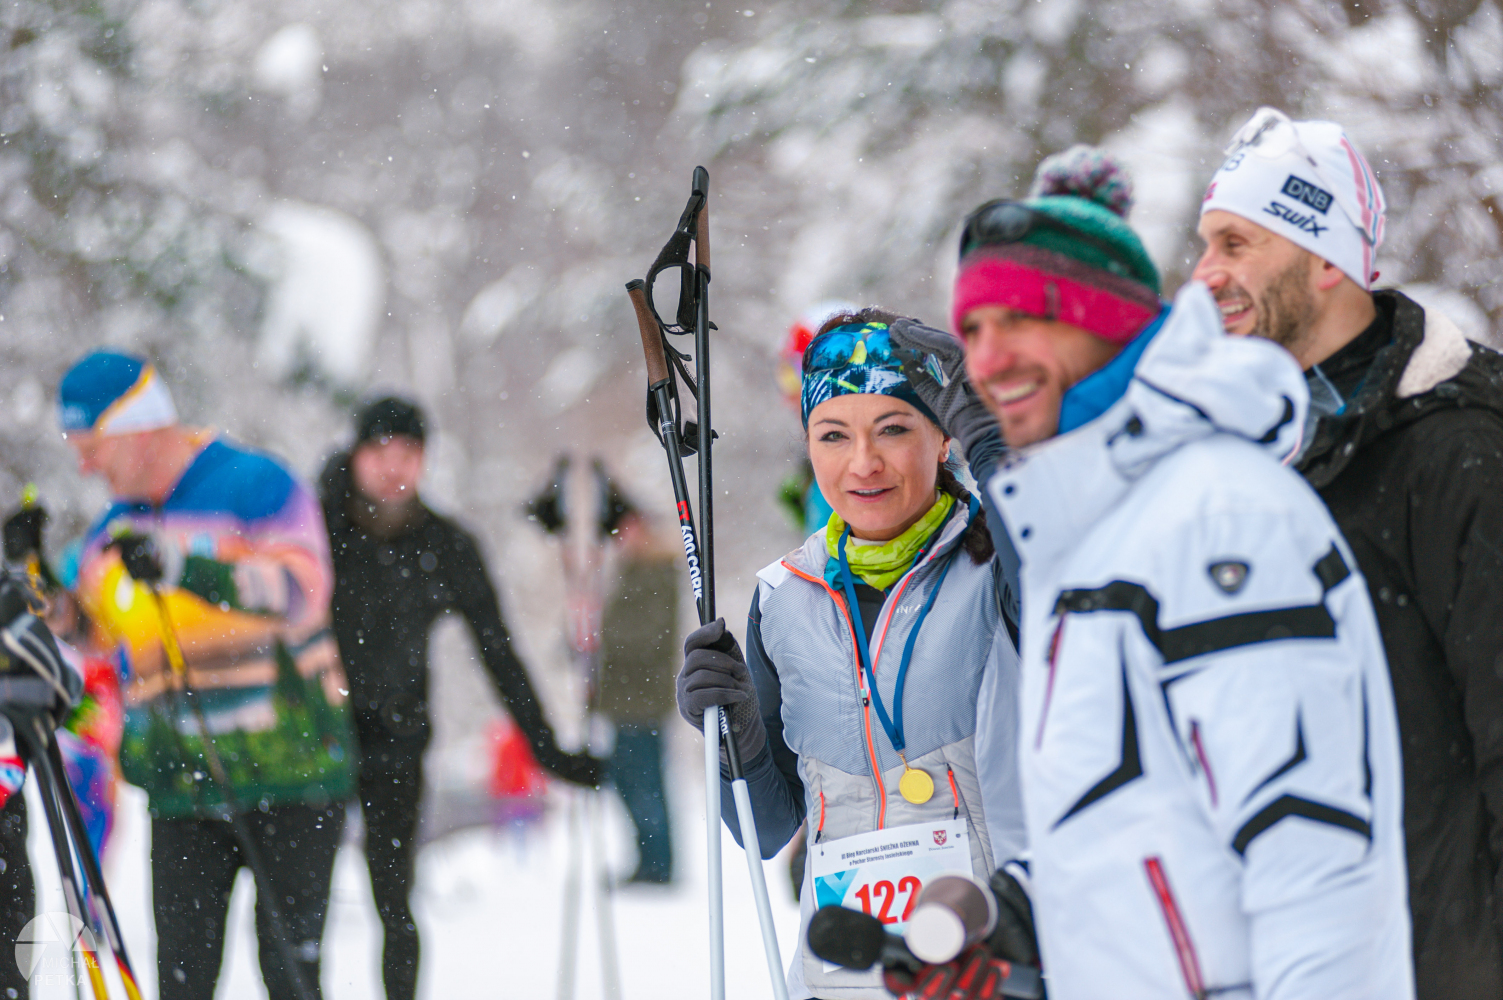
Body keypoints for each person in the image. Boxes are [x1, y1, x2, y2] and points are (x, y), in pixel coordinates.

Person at [886, 146, 1411, 998]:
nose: (987, 360)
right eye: (973, 330)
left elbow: (1314, 861)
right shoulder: (1093, 537)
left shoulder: (1211, 521)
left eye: (1021, 319)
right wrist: (1016, 922)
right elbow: (1139, 820)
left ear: (1103, 323)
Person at [1192, 107, 1503, 999]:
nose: (1205, 274)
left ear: (1323, 258)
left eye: (1235, 244)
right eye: (1204, 245)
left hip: (1440, 959)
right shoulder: (1238, 458)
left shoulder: (1455, 446)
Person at [676, 312, 1025, 1000]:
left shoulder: (1003, 563)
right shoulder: (783, 596)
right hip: (845, 973)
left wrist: (992, 431)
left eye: (892, 429)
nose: (862, 463)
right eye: (832, 435)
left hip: (991, 965)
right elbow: (767, 828)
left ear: (943, 436)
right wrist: (732, 737)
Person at [57, 350, 352, 1000]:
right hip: (182, 789)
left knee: (291, 976)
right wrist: (43, 595)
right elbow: (95, 631)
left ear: (137, 430)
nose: (85, 467)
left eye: (92, 448)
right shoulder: (113, 528)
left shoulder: (258, 485)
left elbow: (303, 590)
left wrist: (185, 568)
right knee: (183, 980)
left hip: (291, 777)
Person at [318, 396, 602, 1000]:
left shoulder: (443, 545)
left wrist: (546, 749)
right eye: (380, 451)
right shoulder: (316, 532)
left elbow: (499, 652)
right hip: (316, 737)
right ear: (356, 454)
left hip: (396, 737)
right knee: (301, 908)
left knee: (395, 901)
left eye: (409, 453)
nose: (394, 467)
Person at [597, 501, 679, 886]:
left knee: (645, 783)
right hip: (622, 698)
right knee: (628, 781)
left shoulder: (657, 572)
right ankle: (648, 858)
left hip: (643, 700)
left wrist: (601, 635)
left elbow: (650, 633)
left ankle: (657, 863)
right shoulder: (628, 571)